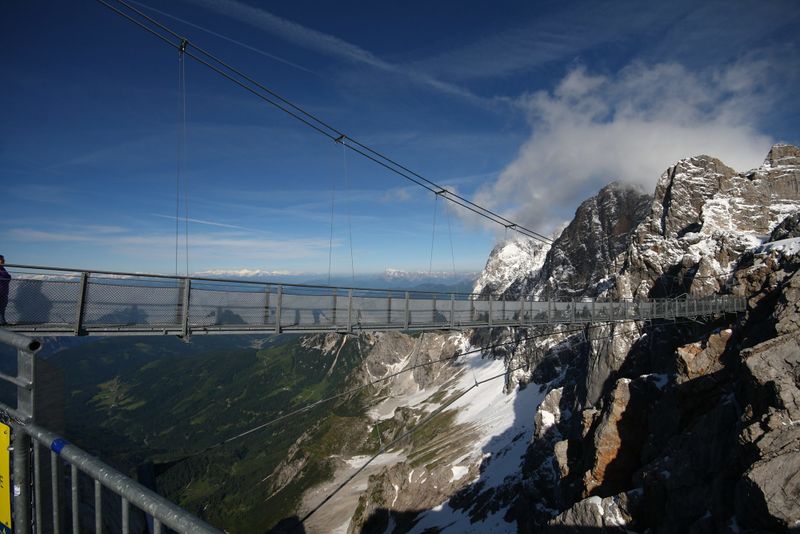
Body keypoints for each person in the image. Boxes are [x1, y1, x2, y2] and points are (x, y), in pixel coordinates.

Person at [0, 255, 9, 325]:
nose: (3, 261)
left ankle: (2, 322)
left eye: (3, 259)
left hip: (4, 292)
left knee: (2, 308)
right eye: (1, 259)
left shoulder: (3, 268)